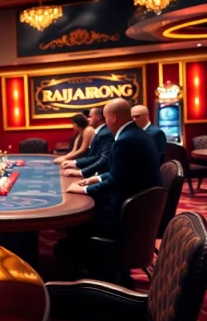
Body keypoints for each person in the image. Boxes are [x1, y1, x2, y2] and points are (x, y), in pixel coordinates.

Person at [67, 98, 163, 232]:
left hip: (130, 210)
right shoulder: (139, 134)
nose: (106, 123)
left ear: (113, 117)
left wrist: (84, 190)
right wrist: (97, 178)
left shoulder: (125, 140)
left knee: (79, 217)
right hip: (143, 203)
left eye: (106, 118)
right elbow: (126, 172)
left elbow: (115, 182)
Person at [61, 107, 113, 178]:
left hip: (101, 175)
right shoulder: (100, 132)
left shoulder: (104, 133)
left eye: (90, 116)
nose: (88, 119)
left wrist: (80, 171)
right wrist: (75, 163)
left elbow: (99, 158)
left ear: (98, 117)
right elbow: (94, 156)